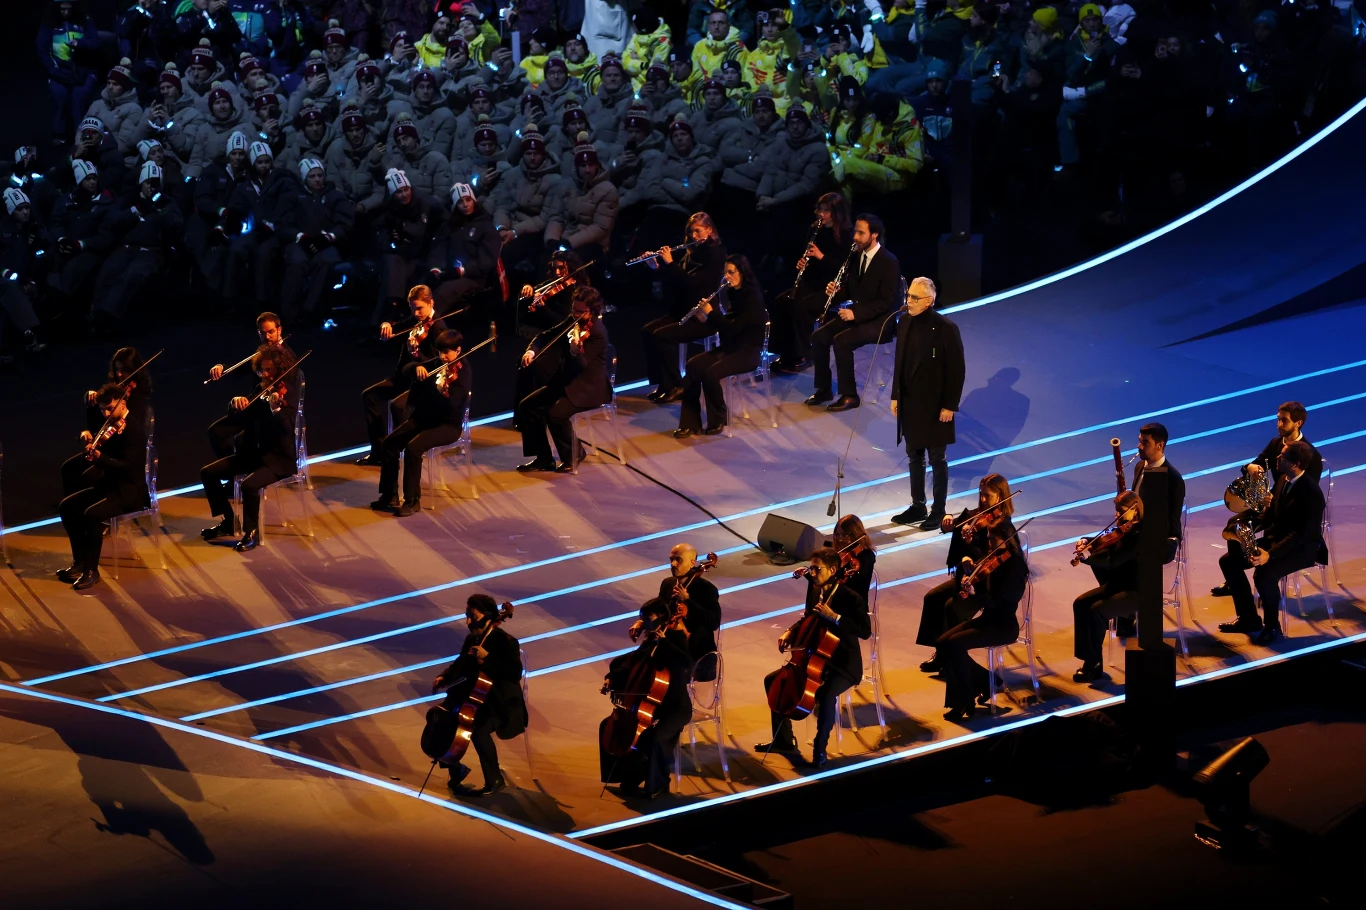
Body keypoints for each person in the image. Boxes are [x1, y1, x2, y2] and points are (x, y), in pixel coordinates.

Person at [760, 547, 870, 767]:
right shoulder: (814, 590)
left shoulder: (851, 598)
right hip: (814, 659)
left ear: (831, 570)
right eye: (810, 568)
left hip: (842, 663)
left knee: (827, 695)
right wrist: (790, 631)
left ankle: (820, 749)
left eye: (815, 569)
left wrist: (835, 617)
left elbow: (864, 631)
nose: (811, 573)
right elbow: (809, 618)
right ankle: (783, 740)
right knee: (772, 680)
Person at [1216, 441, 1326, 645]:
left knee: (1264, 574)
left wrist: (1270, 554)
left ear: (1296, 464)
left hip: (1302, 549)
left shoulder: (1311, 493)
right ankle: (1249, 618)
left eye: (1282, 457)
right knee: (1229, 562)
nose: (1277, 458)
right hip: (1277, 540)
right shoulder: (1284, 479)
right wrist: (1257, 519)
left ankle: (1272, 626)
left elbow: (1300, 535)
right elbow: (1274, 517)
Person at [1212, 401, 1322, 596]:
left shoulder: (1309, 455)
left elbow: (1306, 493)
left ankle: (1260, 574)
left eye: (1284, 421)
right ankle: (1235, 578)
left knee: (1248, 534)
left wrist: (1277, 500)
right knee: (1235, 524)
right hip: (1269, 506)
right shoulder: (1275, 444)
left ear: (1298, 423)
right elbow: (1255, 464)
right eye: (1278, 419)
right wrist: (1250, 468)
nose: (1278, 424)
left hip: (1288, 514)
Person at [199, 345, 300, 552]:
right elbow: (240, 417)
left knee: (248, 486)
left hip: (278, 460)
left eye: (269, 370)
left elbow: (288, 428)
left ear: (280, 369)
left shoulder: (288, 393)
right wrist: (235, 403)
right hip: (255, 454)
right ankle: (228, 521)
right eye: (261, 371)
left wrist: (276, 409)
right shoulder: (261, 390)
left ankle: (251, 533)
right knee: (208, 473)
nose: (265, 375)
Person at [918, 474, 1015, 672]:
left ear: (1000, 496)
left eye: (988, 496)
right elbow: (959, 530)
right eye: (981, 495)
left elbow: (994, 557)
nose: (983, 500)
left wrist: (971, 556)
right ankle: (941, 652)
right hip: (966, 576)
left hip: (984, 584)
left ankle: (953, 658)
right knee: (932, 598)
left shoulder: (1001, 525)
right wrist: (949, 524)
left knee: (952, 607)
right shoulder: (975, 516)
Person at [58, 383, 150, 591]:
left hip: (129, 491)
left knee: (92, 515)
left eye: (109, 408)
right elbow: (95, 432)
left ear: (122, 402)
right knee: (67, 506)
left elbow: (127, 466)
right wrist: (86, 435)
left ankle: (91, 571)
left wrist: (101, 458)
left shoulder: (133, 430)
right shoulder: (110, 424)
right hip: (110, 485)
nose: (106, 413)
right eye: (102, 409)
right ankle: (79, 562)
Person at [431, 595, 525, 797]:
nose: (468, 621)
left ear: (489, 616)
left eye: (472, 616)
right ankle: (455, 767)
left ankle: (495, 779)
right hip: (476, 698)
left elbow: (514, 673)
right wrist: (444, 677)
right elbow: (460, 664)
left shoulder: (506, 642)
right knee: (441, 719)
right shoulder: (472, 639)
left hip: (500, 702)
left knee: (478, 730)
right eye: (467, 616)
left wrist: (487, 658)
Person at [890, 276, 965, 530]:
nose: (908, 301)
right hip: (910, 403)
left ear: (929, 301)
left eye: (914, 297)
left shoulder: (946, 328)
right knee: (914, 455)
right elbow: (899, 362)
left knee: (937, 457)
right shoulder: (905, 323)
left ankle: (938, 510)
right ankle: (918, 505)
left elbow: (957, 370)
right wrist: (895, 394)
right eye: (908, 296)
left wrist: (950, 405)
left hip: (935, 407)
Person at [600, 596, 693, 799]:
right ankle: (623, 776)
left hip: (675, 707)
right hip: (651, 704)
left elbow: (686, 663)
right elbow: (633, 660)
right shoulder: (651, 637)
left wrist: (665, 642)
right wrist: (612, 677)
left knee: (657, 738)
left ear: (660, 617)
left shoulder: (676, 638)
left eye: (647, 619)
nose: (644, 624)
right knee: (608, 726)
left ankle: (658, 785)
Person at [938, 516, 1029, 720]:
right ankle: (987, 681)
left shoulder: (1015, 569)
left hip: (1003, 625)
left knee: (955, 644)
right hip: (989, 619)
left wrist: (975, 593)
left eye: (992, 539)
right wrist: (967, 569)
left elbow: (996, 603)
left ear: (1006, 538)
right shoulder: (995, 558)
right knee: (943, 642)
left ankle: (963, 702)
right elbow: (982, 582)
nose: (989, 544)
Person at [807, 213, 900, 413]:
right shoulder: (858, 256)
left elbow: (886, 302)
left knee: (842, 341)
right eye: (855, 231)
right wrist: (837, 291)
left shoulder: (889, 261)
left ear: (874, 235)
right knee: (819, 336)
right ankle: (824, 389)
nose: (855, 237)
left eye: (861, 232)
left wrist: (855, 315)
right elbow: (852, 289)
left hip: (880, 321)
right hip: (859, 313)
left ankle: (850, 395)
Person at [373, 329, 471, 516]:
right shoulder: (438, 362)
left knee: (413, 448)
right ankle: (389, 494)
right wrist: (416, 367)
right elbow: (406, 369)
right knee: (390, 443)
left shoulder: (464, 372)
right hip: (425, 419)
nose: (442, 357)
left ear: (458, 350)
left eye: (447, 352)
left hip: (447, 425)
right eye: (440, 352)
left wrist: (443, 391)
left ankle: (412, 500)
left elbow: (455, 405)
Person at [516, 286, 610, 472]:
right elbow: (545, 335)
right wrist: (531, 350)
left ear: (591, 310)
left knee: (555, 415)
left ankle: (574, 454)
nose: (574, 314)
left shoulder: (597, 333)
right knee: (527, 406)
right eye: (573, 309)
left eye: (579, 311)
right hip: (566, 381)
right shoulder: (574, 320)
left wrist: (575, 350)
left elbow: (581, 365)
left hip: (587, 388)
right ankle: (543, 459)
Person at [674, 254, 767, 437]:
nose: (727, 277)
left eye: (731, 272)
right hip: (730, 348)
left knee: (710, 374)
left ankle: (718, 419)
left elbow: (734, 329)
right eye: (725, 273)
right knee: (693, 365)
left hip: (747, 352)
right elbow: (724, 327)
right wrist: (704, 317)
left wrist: (712, 313)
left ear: (742, 273)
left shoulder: (752, 300)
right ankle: (690, 422)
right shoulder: (733, 293)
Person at [640, 212, 726, 402]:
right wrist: (656, 267)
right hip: (683, 310)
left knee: (662, 336)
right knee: (647, 331)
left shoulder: (715, 255)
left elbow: (692, 285)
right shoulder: (691, 253)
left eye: (698, 231)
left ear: (709, 230)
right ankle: (663, 384)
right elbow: (677, 281)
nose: (694, 236)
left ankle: (677, 386)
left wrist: (669, 262)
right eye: (691, 232)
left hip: (703, 317)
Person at [359, 285, 449, 465]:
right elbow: (399, 327)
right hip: (404, 377)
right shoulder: (417, 320)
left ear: (431, 303)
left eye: (419, 308)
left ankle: (401, 451)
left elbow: (437, 365)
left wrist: (415, 353)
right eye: (412, 309)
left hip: (424, 384)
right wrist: (387, 325)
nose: (416, 313)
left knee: (397, 406)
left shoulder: (439, 328)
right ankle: (378, 452)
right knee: (370, 395)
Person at [772, 192, 851, 372]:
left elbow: (844, 268)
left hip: (832, 285)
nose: (821, 214)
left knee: (801, 307)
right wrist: (802, 263)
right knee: (782, 302)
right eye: (820, 210)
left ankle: (804, 354)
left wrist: (821, 256)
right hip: (812, 280)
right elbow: (809, 258)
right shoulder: (815, 229)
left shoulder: (846, 234)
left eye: (826, 211)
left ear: (836, 213)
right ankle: (785, 353)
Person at [1071, 491, 1144, 682]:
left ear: (1135, 510)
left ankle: (1094, 664)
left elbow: (1114, 561)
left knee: (1096, 611)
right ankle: (1089, 658)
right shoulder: (1123, 528)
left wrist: (1088, 558)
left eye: (1121, 511)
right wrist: (1086, 541)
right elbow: (1103, 540)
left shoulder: (1140, 535)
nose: (1116, 515)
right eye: (1116, 510)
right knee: (1080, 604)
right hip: (1119, 584)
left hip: (1136, 590)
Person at [205, 312, 295, 458]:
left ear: (279, 330)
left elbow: (288, 391)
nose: (267, 337)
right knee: (215, 432)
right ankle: (232, 470)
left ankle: (235, 469)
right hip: (253, 405)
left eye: (271, 332)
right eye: (262, 333)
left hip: (268, 412)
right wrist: (223, 367)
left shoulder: (286, 357)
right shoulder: (263, 352)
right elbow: (243, 368)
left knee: (227, 435)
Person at [277, 158, 355, 320]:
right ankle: (289, 312)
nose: (317, 179)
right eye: (312, 176)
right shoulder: (293, 196)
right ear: (305, 178)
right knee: (297, 262)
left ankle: (310, 310)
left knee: (327, 261)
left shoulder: (335, 196)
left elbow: (345, 223)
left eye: (320, 175)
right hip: (299, 242)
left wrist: (329, 237)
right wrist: (301, 237)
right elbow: (283, 224)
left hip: (326, 243)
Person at [631, 543, 723, 679]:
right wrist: (641, 621)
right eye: (671, 560)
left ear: (692, 563)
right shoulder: (668, 583)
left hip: (692, 653)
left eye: (678, 560)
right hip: (668, 645)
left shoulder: (706, 589)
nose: (673, 564)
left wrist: (688, 601)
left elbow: (714, 621)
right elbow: (660, 609)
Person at [831, 513, 877, 604]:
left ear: (855, 534)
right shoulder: (840, 554)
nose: (840, 539)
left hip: (854, 607)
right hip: (837, 602)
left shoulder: (867, 556)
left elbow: (856, 587)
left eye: (844, 535)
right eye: (837, 534)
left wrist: (838, 576)